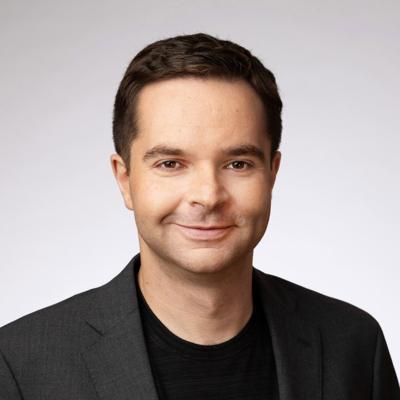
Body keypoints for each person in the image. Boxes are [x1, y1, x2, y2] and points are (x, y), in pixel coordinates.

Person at [0, 32, 398, 400]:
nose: (208, 196)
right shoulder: (19, 365)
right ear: (125, 179)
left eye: (238, 164)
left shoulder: (354, 345)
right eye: (171, 164)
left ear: (272, 174)